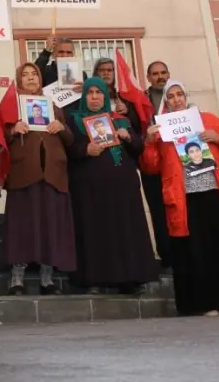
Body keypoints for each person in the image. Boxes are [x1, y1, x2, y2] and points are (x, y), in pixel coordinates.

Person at [141, 80, 219, 316]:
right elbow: (150, 168)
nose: (177, 99)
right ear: (166, 102)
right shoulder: (161, 129)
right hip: (184, 199)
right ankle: (205, 304)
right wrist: (149, 143)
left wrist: (217, 137)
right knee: (195, 252)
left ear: (186, 97)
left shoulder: (207, 119)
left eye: (180, 94)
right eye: (171, 96)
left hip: (214, 193)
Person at [67, 77, 159, 294]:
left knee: (125, 231)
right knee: (94, 233)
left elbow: (138, 148)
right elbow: (66, 151)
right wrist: (84, 150)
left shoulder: (120, 120)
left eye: (99, 93)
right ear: (84, 96)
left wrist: (128, 137)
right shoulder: (73, 121)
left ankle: (130, 279)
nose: (95, 97)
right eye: (90, 93)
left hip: (123, 188)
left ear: (106, 96)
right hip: (89, 189)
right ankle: (94, 280)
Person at [4, 63, 76, 295]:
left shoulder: (52, 104)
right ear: (19, 80)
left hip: (52, 174)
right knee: (21, 225)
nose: (30, 78)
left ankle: (48, 278)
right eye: (24, 75)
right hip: (24, 173)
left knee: (50, 225)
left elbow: (70, 139)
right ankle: (17, 278)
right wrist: (13, 129)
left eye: (34, 74)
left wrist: (61, 126)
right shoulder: (11, 105)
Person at [141, 60, 172, 267]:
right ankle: (167, 256)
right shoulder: (140, 100)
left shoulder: (179, 97)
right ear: (148, 77)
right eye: (155, 74)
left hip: (176, 163)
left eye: (163, 72)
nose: (160, 76)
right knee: (158, 211)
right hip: (151, 164)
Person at [93, 58, 141, 133]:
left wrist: (127, 112)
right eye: (102, 70)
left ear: (115, 73)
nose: (106, 73)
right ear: (96, 73)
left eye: (109, 70)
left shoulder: (125, 96)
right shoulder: (92, 95)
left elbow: (137, 126)